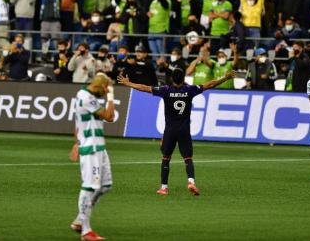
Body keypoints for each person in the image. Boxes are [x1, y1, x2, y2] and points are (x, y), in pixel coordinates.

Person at [117, 68, 237, 196]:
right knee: (188, 158)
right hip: (184, 130)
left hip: (170, 130)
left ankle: (164, 188)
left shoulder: (165, 90)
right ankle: (191, 181)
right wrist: (225, 78)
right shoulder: (190, 90)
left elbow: (144, 88)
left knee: (165, 158)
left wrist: (128, 83)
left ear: (171, 78)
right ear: (183, 78)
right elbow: (210, 84)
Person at [69, 73, 115, 241]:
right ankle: (86, 231)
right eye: (105, 89)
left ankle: (80, 220)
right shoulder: (87, 98)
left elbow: (77, 125)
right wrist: (111, 96)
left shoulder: (85, 96)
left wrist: (76, 142)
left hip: (99, 147)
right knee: (89, 186)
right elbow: (110, 116)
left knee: (105, 186)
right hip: (92, 148)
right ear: (101, 87)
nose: (105, 92)